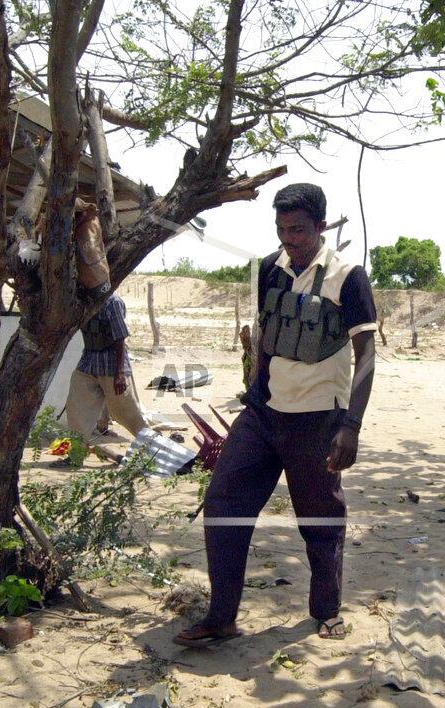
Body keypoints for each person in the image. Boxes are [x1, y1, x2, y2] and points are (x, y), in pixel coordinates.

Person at [172, 183, 377, 646]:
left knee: (320, 519)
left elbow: (366, 354)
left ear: (321, 227)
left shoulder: (348, 277)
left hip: (318, 419)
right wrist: (254, 390)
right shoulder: (269, 269)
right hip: (264, 415)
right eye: (282, 230)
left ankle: (326, 610)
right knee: (224, 506)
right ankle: (221, 617)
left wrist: (351, 425)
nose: (290, 240)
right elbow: (265, 334)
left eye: (299, 230)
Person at [65, 292, 150, 442]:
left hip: (112, 365)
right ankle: (76, 453)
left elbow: (120, 337)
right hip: (89, 362)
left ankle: (152, 446)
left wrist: (120, 373)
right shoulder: (84, 301)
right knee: (77, 409)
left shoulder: (113, 302)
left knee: (127, 412)